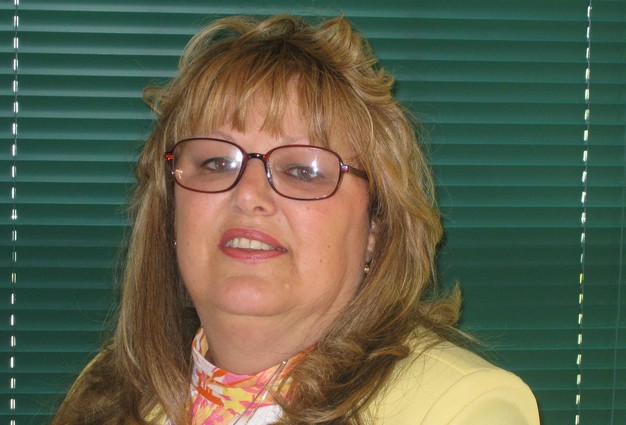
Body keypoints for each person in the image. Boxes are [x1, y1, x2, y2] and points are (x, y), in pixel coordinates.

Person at [52, 14, 540, 425]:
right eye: (216, 161)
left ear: (376, 228)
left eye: (303, 170)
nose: (248, 194)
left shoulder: (461, 409)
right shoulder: (109, 391)